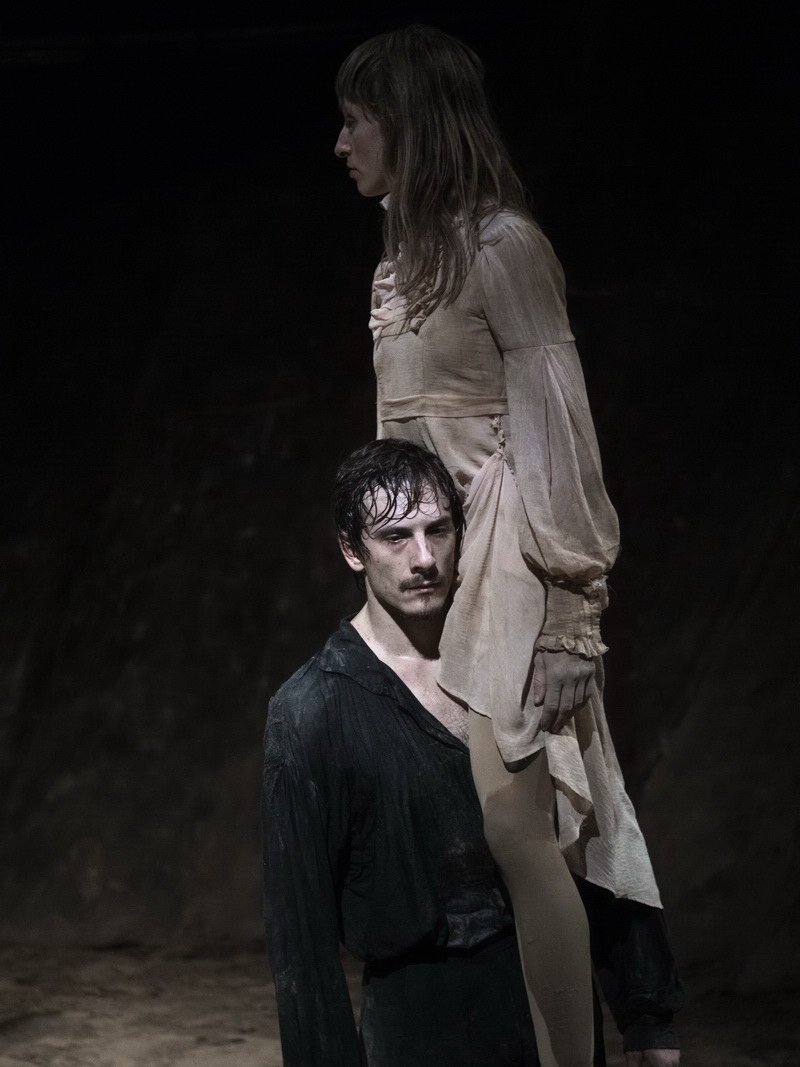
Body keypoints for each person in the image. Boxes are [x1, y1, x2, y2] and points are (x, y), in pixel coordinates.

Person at [334, 25, 674, 1065]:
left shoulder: (502, 248)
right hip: (443, 559)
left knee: (520, 828)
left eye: (356, 121)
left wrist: (572, 608)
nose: (342, 144)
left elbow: (556, 426)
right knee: (501, 832)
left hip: (513, 549)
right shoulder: (403, 265)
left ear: (408, 123)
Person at [262, 439, 682, 1067]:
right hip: (417, 1021)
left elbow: (594, 823)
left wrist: (648, 1014)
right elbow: (301, 932)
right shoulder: (312, 709)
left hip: (548, 997)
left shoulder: (521, 668)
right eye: (395, 537)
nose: (424, 558)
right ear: (352, 550)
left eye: (438, 530)